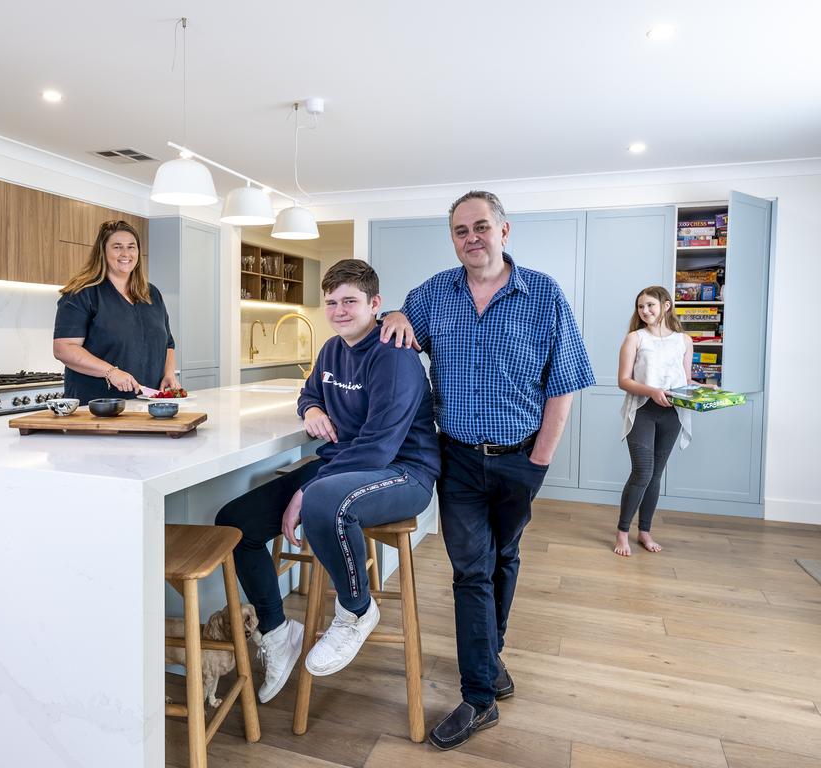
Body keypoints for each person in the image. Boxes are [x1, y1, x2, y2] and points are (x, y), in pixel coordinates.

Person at [380, 191, 595, 751]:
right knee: (470, 570)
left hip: (522, 458)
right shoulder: (432, 294)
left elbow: (564, 383)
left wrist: (540, 461)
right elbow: (395, 340)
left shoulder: (543, 293)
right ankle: (479, 695)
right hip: (457, 462)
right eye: (459, 230)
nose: (470, 237)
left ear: (504, 230)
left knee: (505, 555)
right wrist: (396, 314)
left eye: (480, 227)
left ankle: (489, 655)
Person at [215, 259, 439, 704]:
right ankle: (279, 633)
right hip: (347, 464)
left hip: (402, 471)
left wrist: (304, 490)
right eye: (331, 302)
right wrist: (312, 410)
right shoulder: (333, 349)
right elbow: (311, 392)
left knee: (321, 500)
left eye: (350, 301)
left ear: (375, 304)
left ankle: (357, 610)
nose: (338, 310)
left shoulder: (394, 355)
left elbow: (377, 447)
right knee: (234, 522)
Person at [52, 220, 179, 404]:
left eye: (131, 247)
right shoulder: (81, 293)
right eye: (117, 247)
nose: (126, 254)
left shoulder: (151, 294)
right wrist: (111, 372)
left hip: (148, 406)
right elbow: (63, 349)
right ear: (103, 252)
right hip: (96, 409)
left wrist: (169, 374)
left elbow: (168, 344)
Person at [615, 286, 694, 557]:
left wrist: (705, 391)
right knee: (642, 472)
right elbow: (623, 380)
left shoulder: (684, 340)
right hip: (643, 410)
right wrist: (652, 391)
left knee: (656, 475)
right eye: (640, 307)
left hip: (672, 413)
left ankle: (645, 531)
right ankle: (622, 532)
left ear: (667, 305)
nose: (645, 311)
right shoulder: (635, 339)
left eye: (650, 305)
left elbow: (685, 380)